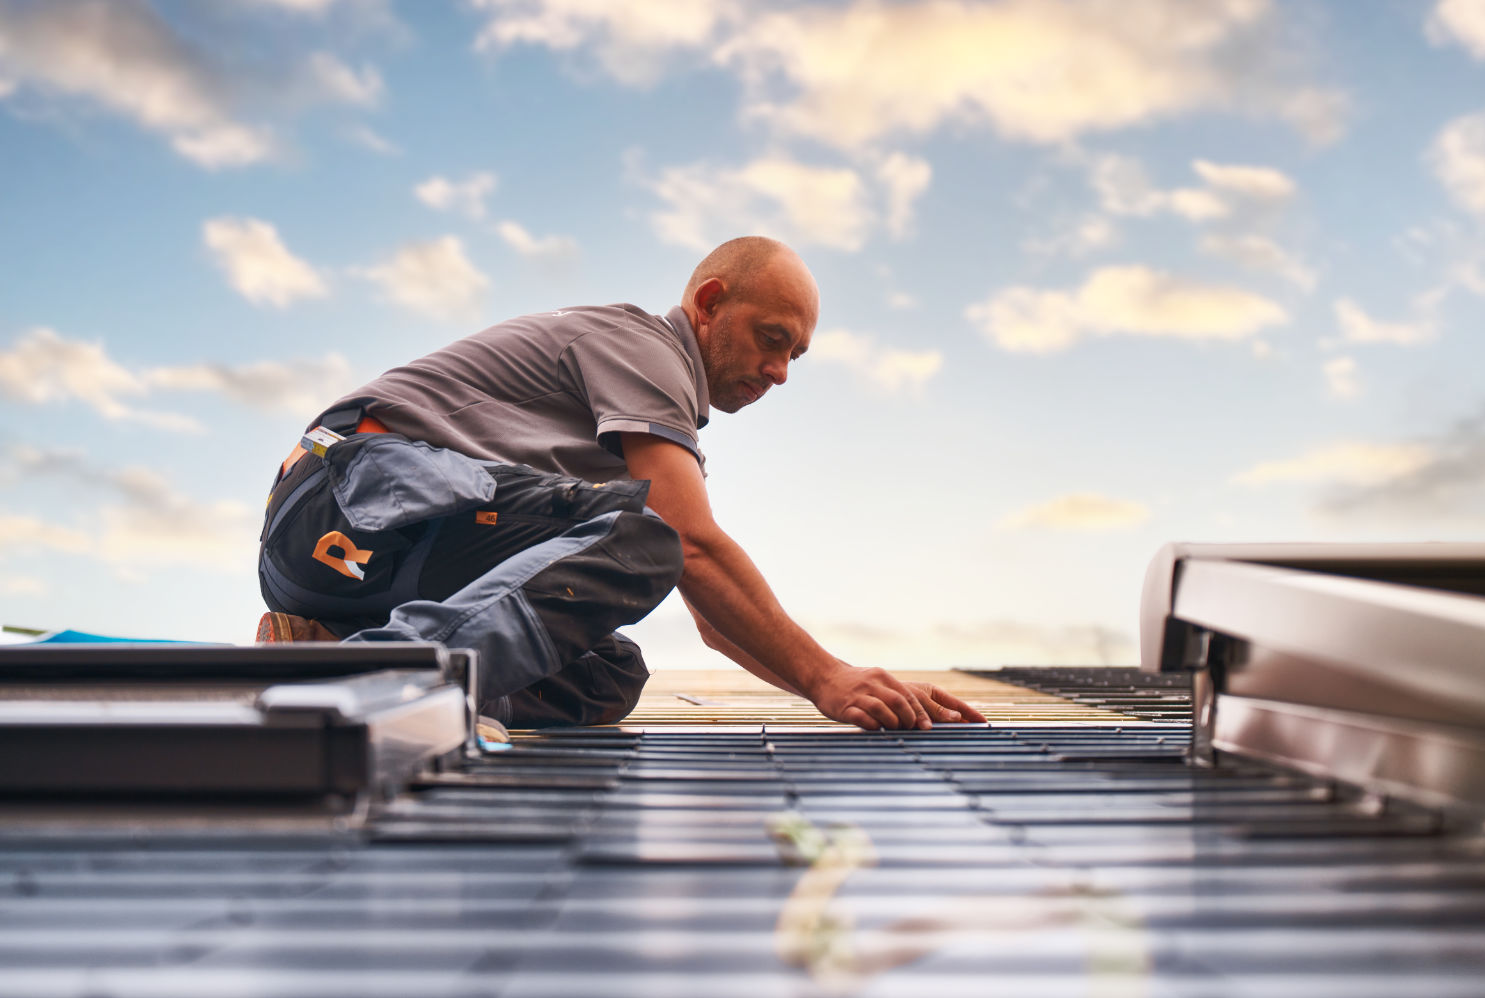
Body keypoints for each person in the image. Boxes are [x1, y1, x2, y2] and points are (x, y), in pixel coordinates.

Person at [257, 236, 986, 731]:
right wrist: (830, 675)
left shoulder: (647, 416)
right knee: (647, 535)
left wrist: (836, 690)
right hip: (348, 496)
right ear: (708, 303)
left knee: (608, 672)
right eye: (771, 338)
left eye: (796, 353)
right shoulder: (645, 348)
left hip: (367, 557)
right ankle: (392, 677)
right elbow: (685, 547)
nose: (780, 371)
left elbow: (708, 613)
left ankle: (331, 645)